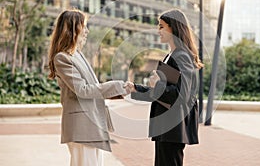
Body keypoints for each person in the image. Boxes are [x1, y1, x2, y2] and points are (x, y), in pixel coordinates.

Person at [48, 9, 129, 166]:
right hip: (81, 125)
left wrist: (120, 90)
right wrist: (118, 86)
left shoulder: (77, 55)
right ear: (73, 29)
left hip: (91, 122)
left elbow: (94, 87)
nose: (87, 30)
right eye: (83, 26)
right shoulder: (62, 58)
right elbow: (84, 90)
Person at [125, 9, 204, 166]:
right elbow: (161, 94)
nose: (158, 30)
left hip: (173, 129)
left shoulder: (181, 55)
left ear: (173, 28)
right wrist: (136, 89)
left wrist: (158, 84)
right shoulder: (171, 55)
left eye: (161, 26)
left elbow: (182, 95)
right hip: (166, 128)